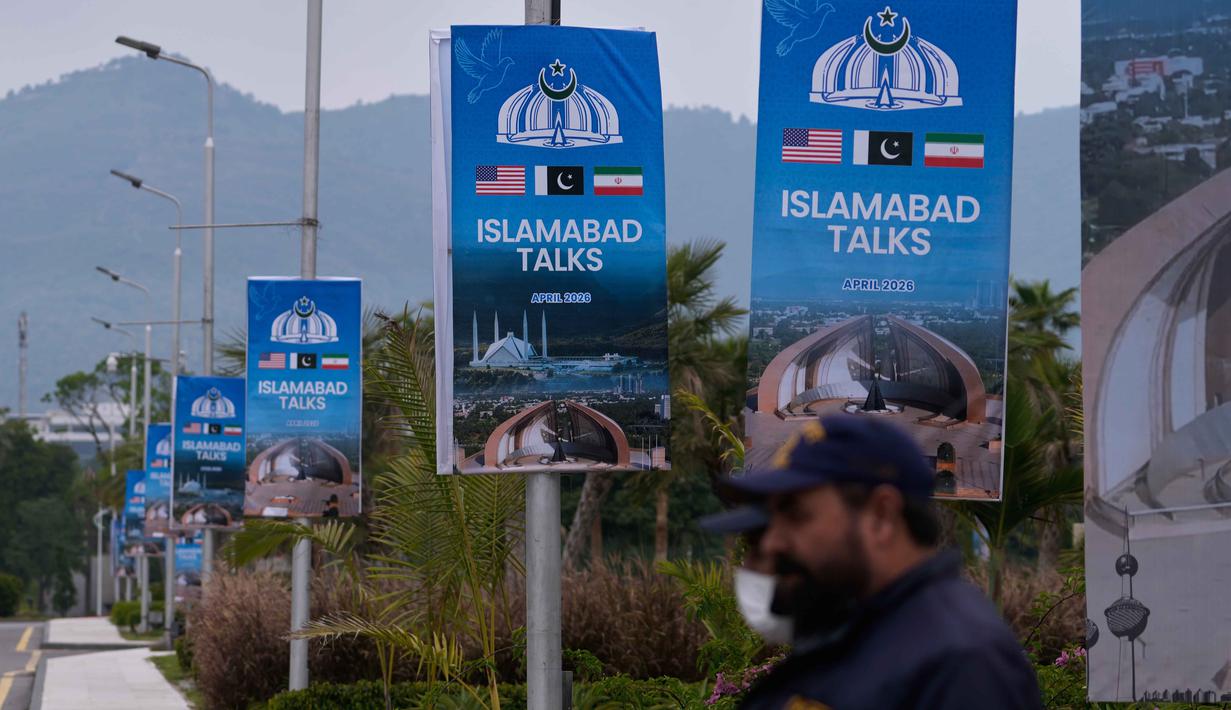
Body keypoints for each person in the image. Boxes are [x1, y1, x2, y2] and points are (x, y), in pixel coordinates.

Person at [711, 414, 1041, 710]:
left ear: (881, 516)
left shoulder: (961, 664)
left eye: (796, 514)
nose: (771, 542)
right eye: (771, 519)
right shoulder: (856, 636)